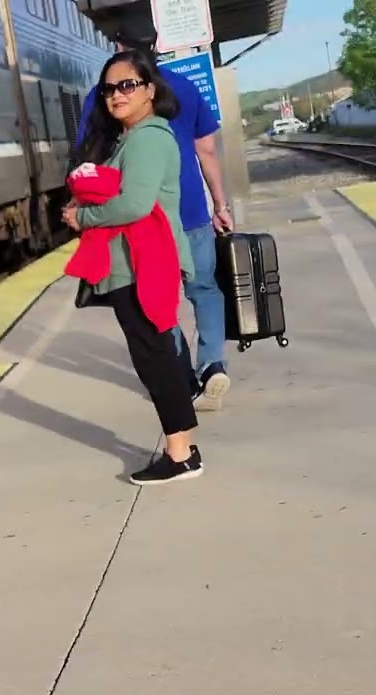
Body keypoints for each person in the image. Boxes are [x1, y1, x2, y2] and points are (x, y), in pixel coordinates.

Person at [76, 14, 235, 412]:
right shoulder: (184, 86)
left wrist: (84, 211)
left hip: (143, 222)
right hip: (191, 210)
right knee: (204, 288)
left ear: (118, 46)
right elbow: (206, 150)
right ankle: (212, 364)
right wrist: (220, 204)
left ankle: (182, 379)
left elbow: (88, 158)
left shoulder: (105, 94)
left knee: (156, 301)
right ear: (157, 45)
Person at [62, 50, 202, 485]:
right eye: (109, 89)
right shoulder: (131, 139)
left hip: (144, 263)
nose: (116, 95)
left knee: (154, 357)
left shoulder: (147, 139)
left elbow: (136, 204)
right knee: (157, 354)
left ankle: (180, 455)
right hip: (136, 261)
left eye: (127, 85)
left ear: (150, 90)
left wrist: (83, 217)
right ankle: (184, 448)